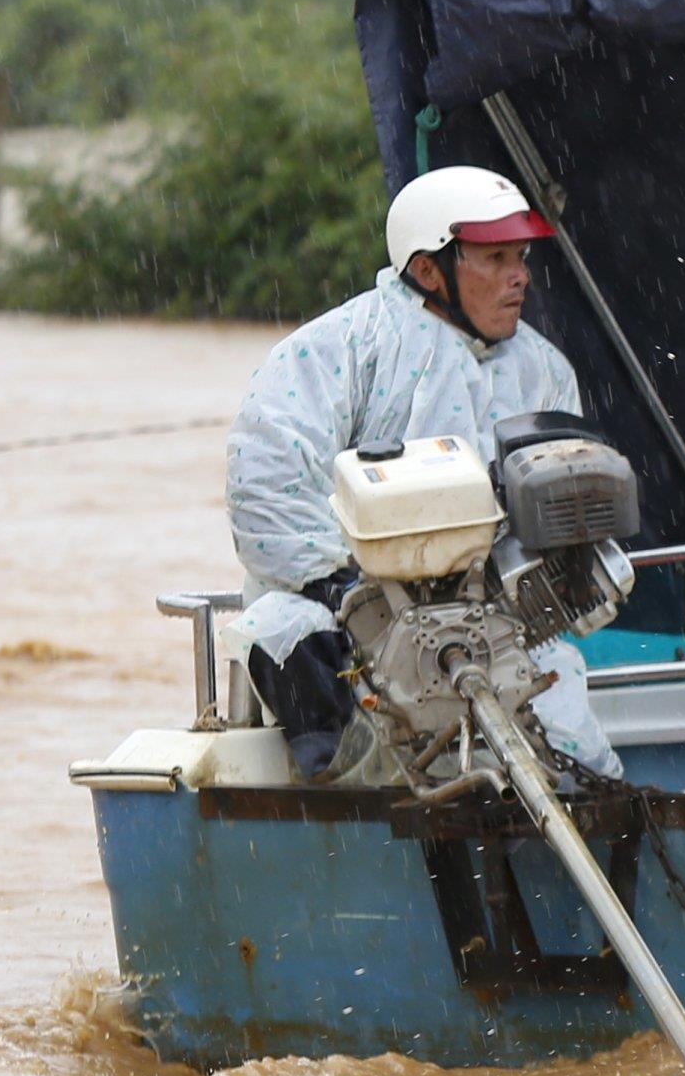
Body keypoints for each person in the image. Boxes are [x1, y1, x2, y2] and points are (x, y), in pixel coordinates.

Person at [227, 166, 627, 783]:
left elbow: (557, 517)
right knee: (284, 632)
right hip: (343, 620)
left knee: (577, 749)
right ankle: (350, 801)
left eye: (520, 257)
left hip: (490, 628)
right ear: (428, 269)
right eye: (495, 258)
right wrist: (347, 593)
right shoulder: (335, 350)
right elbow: (266, 489)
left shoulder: (544, 373)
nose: (520, 275)